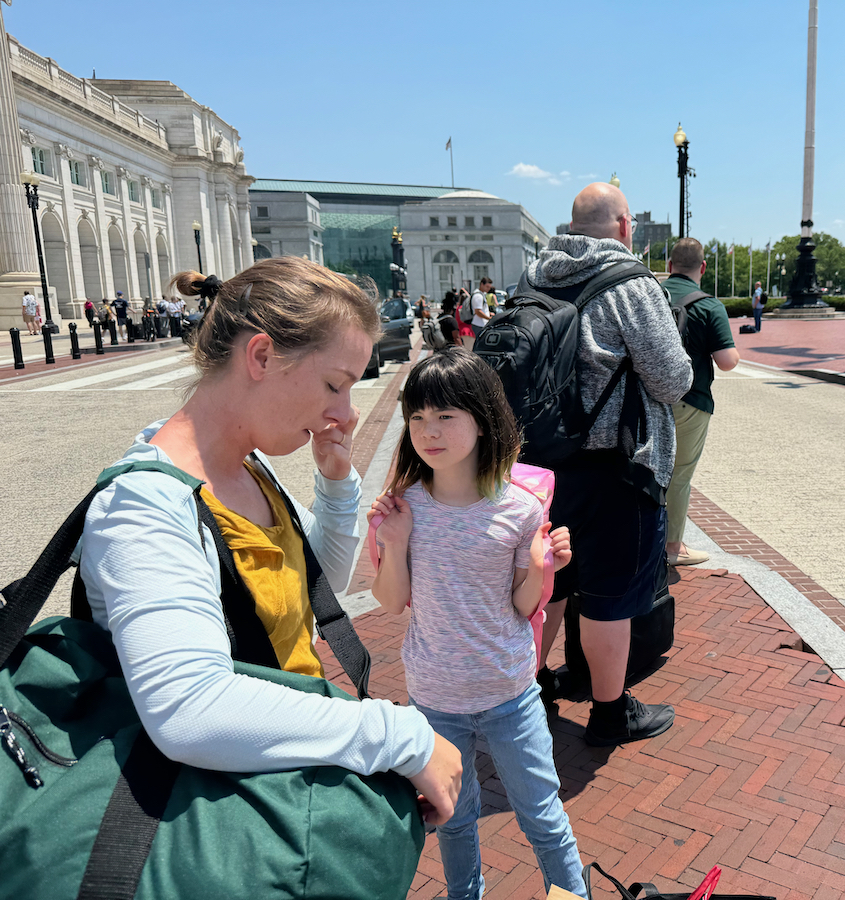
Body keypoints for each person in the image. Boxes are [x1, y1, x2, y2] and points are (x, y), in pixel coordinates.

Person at [76, 257, 463, 837]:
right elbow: (189, 707)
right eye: (334, 384)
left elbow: (319, 584)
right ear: (260, 356)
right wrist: (397, 735)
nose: (345, 413)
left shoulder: (248, 465)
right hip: (215, 822)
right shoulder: (146, 506)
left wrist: (336, 479)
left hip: (270, 785)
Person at [369, 349, 587, 900]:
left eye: (446, 416)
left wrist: (542, 567)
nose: (429, 431)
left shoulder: (521, 508)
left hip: (509, 692)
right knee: (453, 818)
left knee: (542, 816)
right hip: (434, 696)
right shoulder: (403, 508)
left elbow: (522, 607)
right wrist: (395, 543)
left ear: (483, 419)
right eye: (418, 417)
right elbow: (391, 602)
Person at [530, 182, 692, 746]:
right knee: (609, 598)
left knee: (548, 584)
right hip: (618, 468)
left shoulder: (532, 280)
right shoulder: (630, 282)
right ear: (625, 226)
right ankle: (609, 712)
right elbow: (672, 380)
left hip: (540, 468)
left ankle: (533, 688)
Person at [662, 238, 739, 566]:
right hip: (691, 402)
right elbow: (727, 361)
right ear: (703, 267)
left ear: (669, 266)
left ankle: (640, 539)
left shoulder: (651, 296)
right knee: (679, 476)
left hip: (648, 400)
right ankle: (672, 548)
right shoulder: (709, 306)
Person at [465, 277, 494, 351]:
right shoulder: (478, 296)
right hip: (479, 324)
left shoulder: (482, 294)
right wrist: (489, 318)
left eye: (489, 287)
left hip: (481, 323)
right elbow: (478, 311)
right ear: (482, 284)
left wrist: (489, 313)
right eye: (487, 286)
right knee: (480, 344)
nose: (488, 289)